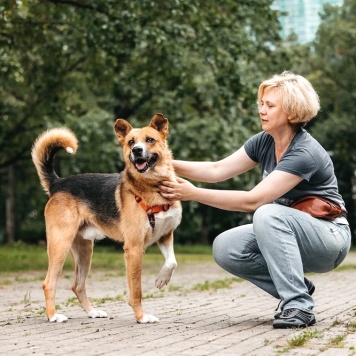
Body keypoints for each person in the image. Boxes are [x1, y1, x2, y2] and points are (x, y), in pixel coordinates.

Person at [159, 71, 351, 329]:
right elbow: (217, 170)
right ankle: (297, 287)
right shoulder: (264, 142)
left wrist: (192, 193)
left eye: (270, 105)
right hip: (290, 231)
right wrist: (161, 162)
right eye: (261, 103)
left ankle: (299, 307)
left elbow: (252, 201)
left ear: (292, 113)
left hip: (329, 238)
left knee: (266, 212)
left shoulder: (304, 152)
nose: (262, 109)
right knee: (226, 247)